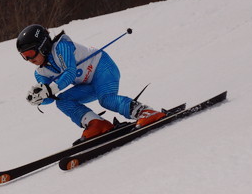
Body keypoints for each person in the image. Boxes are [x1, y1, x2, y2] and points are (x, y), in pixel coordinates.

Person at [16, 24, 165, 142]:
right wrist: (40, 99)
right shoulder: (40, 72)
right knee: (62, 101)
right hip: (87, 84)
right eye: (24, 57)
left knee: (106, 99)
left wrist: (50, 89)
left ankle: (145, 112)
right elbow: (50, 96)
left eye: (30, 54)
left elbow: (70, 72)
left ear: (43, 46)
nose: (29, 60)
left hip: (103, 68)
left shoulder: (61, 46)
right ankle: (97, 124)